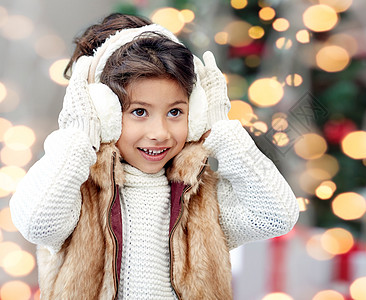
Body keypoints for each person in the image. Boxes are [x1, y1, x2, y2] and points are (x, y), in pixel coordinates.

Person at [10, 13, 299, 299]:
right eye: (139, 111)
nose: (160, 132)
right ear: (103, 114)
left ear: (195, 113)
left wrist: (222, 131)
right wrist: (79, 136)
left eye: (175, 112)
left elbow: (276, 216)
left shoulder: (201, 195)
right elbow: (37, 224)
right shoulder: (74, 189)